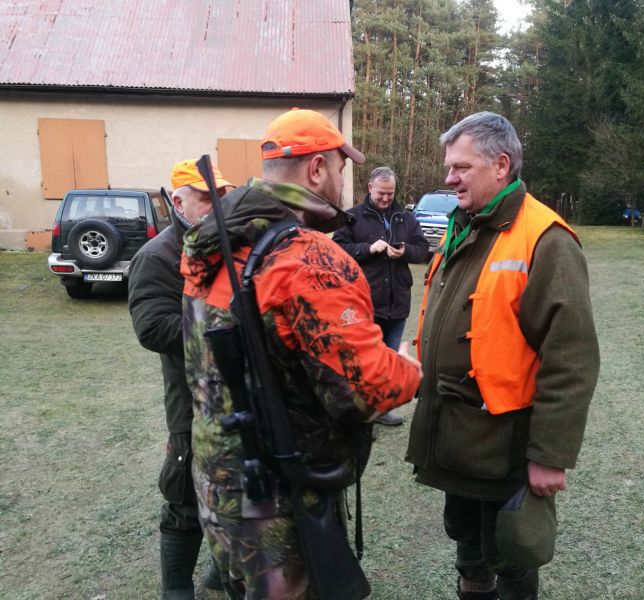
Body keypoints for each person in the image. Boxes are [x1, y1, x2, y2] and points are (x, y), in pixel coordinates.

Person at [180, 108, 422, 599]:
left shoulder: (213, 243)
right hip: (281, 495)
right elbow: (367, 389)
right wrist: (411, 369)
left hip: (220, 481)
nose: (341, 180)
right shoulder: (307, 258)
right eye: (340, 167)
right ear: (316, 169)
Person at [405, 112, 600, 600]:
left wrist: (550, 456)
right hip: (456, 435)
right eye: (449, 168)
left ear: (501, 165)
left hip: (505, 445)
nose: (450, 178)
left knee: (512, 551)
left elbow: (571, 358)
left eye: (461, 167)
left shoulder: (545, 238)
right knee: (469, 546)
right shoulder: (464, 225)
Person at [128, 159, 232, 599]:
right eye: (205, 197)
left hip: (235, 393)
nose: (215, 206)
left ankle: (219, 571)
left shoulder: (228, 244)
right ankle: (176, 588)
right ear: (178, 200)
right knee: (185, 494)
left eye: (221, 196)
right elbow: (152, 328)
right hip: (189, 397)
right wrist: (224, 329)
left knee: (231, 487)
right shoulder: (157, 256)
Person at [332, 166, 429, 426]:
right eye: (381, 193)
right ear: (370, 188)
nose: (386, 198)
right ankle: (360, 413)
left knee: (388, 359)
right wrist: (367, 248)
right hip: (365, 304)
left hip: (397, 303)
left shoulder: (406, 218)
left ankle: (380, 410)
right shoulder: (352, 217)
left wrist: (405, 251)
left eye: (390, 193)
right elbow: (337, 249)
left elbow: (423, 249)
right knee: (362, 361)